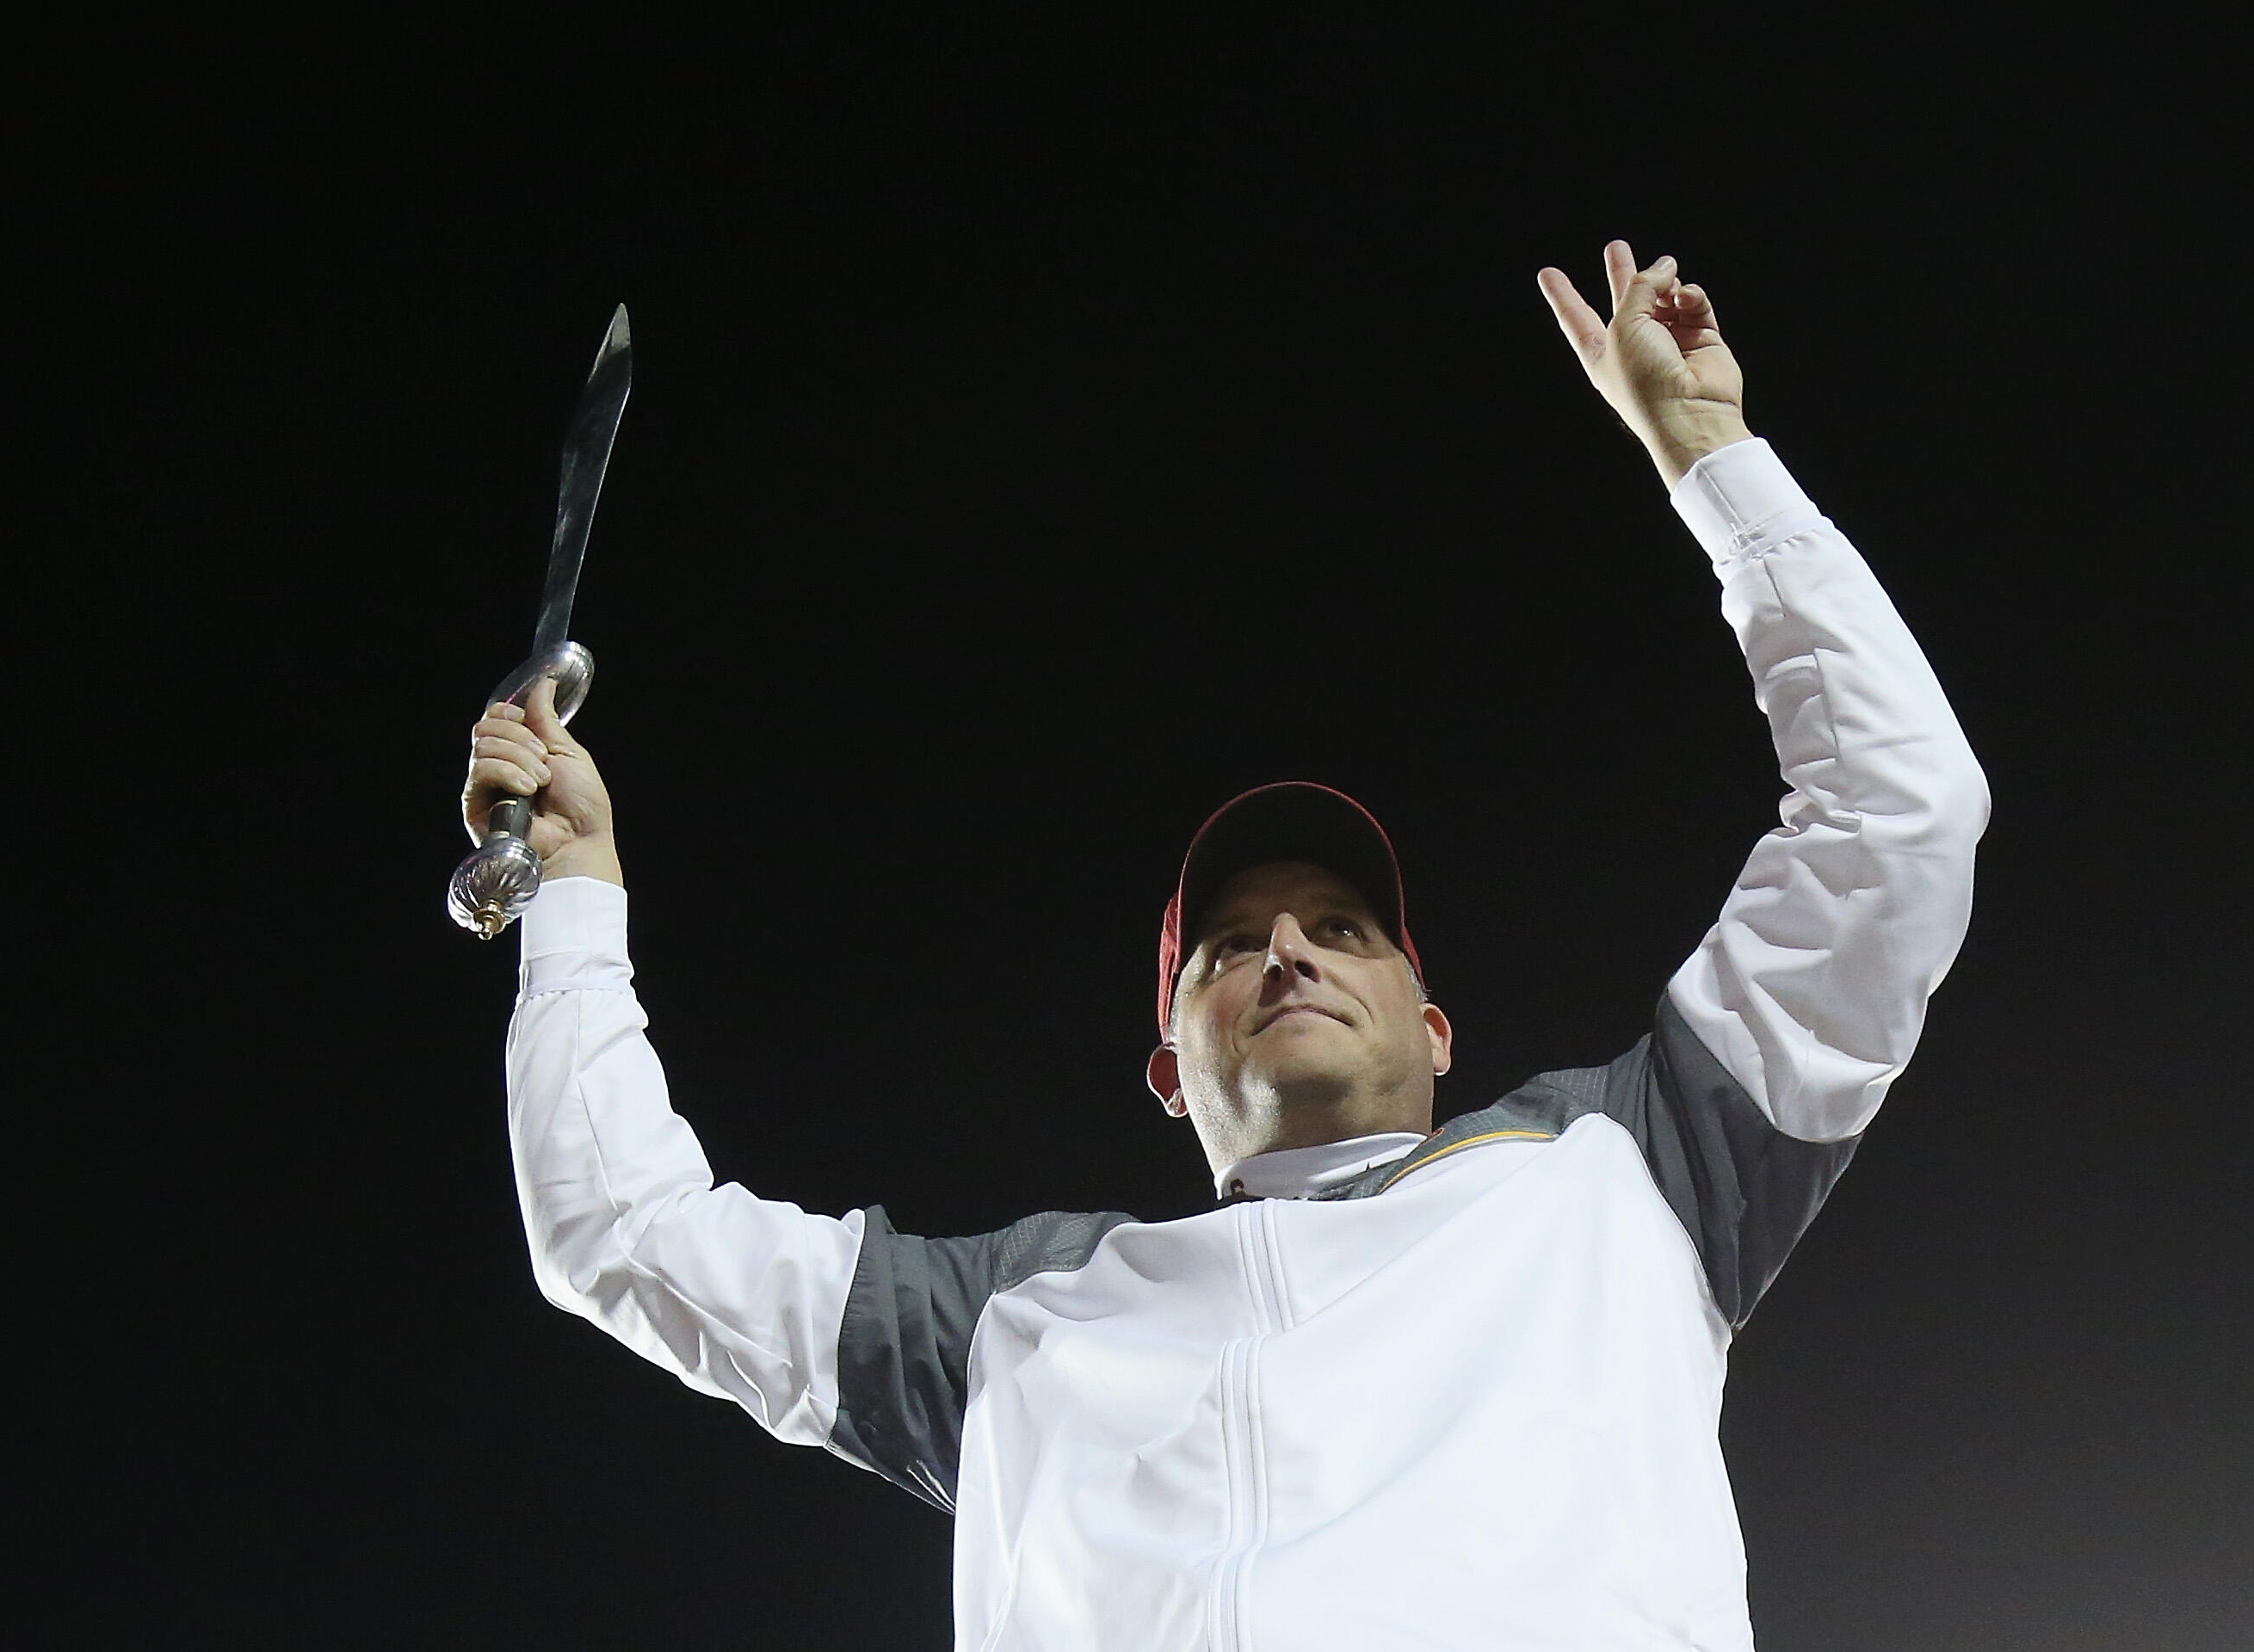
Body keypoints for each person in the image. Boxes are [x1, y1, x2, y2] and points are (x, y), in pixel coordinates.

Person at [464, 240, 1989, 1651]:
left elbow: (1897, 814)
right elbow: (617, 1232)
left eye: (1340, 928)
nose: (1289, 956)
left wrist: (1710, 458)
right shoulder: (1005, 1326)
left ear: (1435, 1025)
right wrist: (578, 890)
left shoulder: (1633, 1171)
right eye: (1230, 946)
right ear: (1168, 1068)